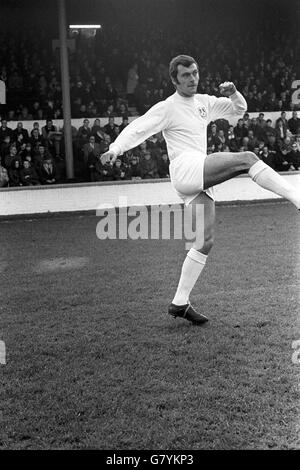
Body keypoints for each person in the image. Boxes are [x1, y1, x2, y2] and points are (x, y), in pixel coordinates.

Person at [100, 54, 300, 326]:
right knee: (249, 159)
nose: (192, 78)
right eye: (185, 75)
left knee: (204, 242)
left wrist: (234, 93)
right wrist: (115, 149)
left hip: (194, 176)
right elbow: (139, 128)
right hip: (185, 167)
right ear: (174, 79)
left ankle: (180, 302)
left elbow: (238, 110)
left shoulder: (204, 102)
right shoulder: (167, 107)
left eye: (194, 73)